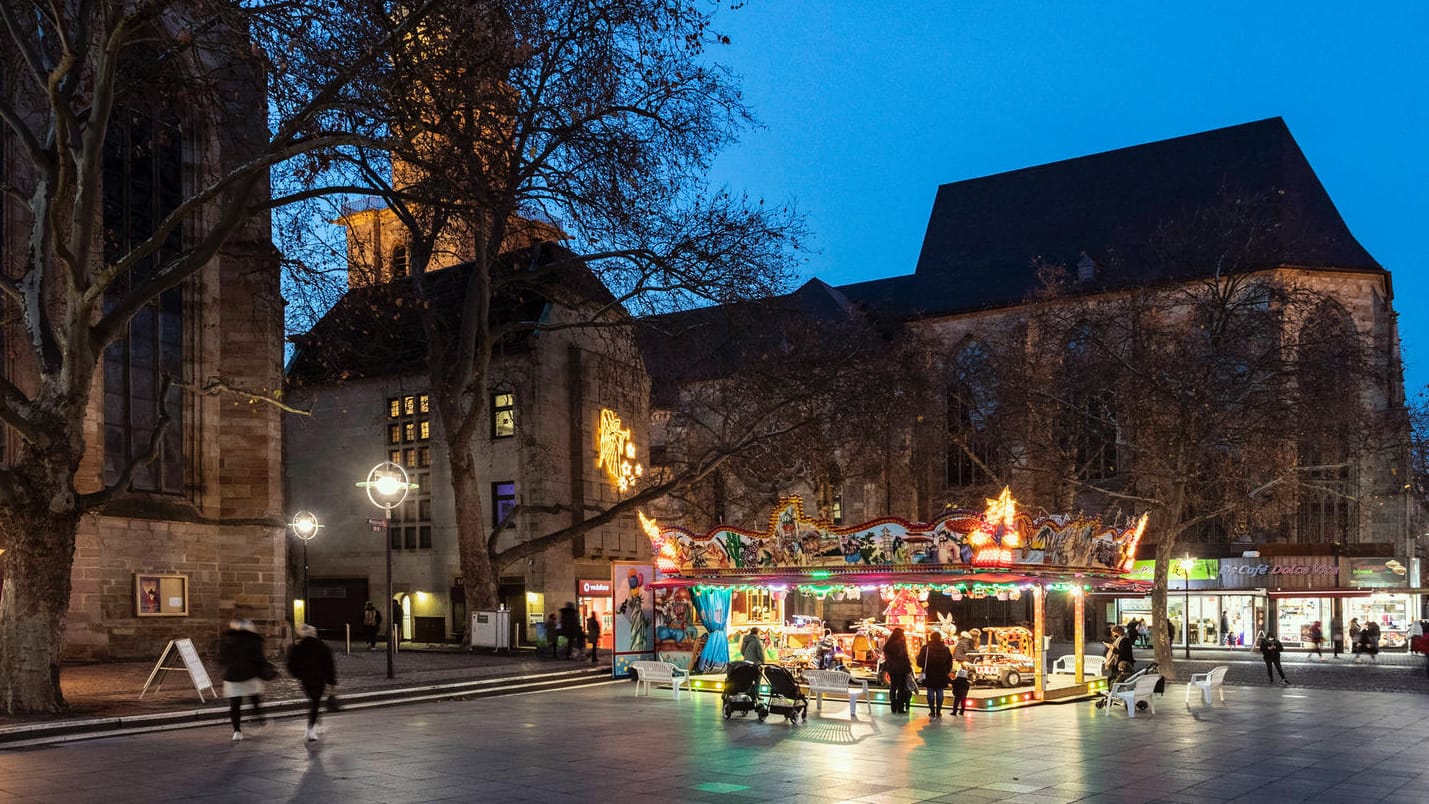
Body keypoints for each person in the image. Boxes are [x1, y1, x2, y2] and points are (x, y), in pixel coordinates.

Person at [219, 618, 268, 742]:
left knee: (235, 704)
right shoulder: (254, 640)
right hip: (250, 674)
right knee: (254, 698)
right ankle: (259, 717)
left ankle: (237, 731)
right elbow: (259, 659)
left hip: (232, 675)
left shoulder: (227, 640)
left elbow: (221, 658)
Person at [287, 624, 337, 742]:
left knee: (313, 701)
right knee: (315, 702)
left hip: (305, 679)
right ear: (314, 633)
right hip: (319, 679)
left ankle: (316, 724)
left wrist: (298, 675)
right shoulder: (323, 646)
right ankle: (311, 728)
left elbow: (291, 664)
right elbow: (329, 665)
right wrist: (331, 682)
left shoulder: (298, 647)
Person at [916, 630, 953, 718]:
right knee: (940, 691)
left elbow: (920, 662)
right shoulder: (945, 648)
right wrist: (946, 671)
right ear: (940, 638)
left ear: (931, 638)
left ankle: (932, 711)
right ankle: (939, 711)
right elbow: (949, 663)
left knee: (930, 691)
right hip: (942, 673)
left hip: (929, 673)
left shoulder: (926, 648)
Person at [882, 627, 913, 715]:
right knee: (901, 688)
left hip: (892, 668)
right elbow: (904, 657)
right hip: (901, 668)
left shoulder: (888, 644)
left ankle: (893, 707)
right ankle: (900, 707)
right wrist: (909, 668)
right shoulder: (901, 644)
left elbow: (887, 656)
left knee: (893, 687)